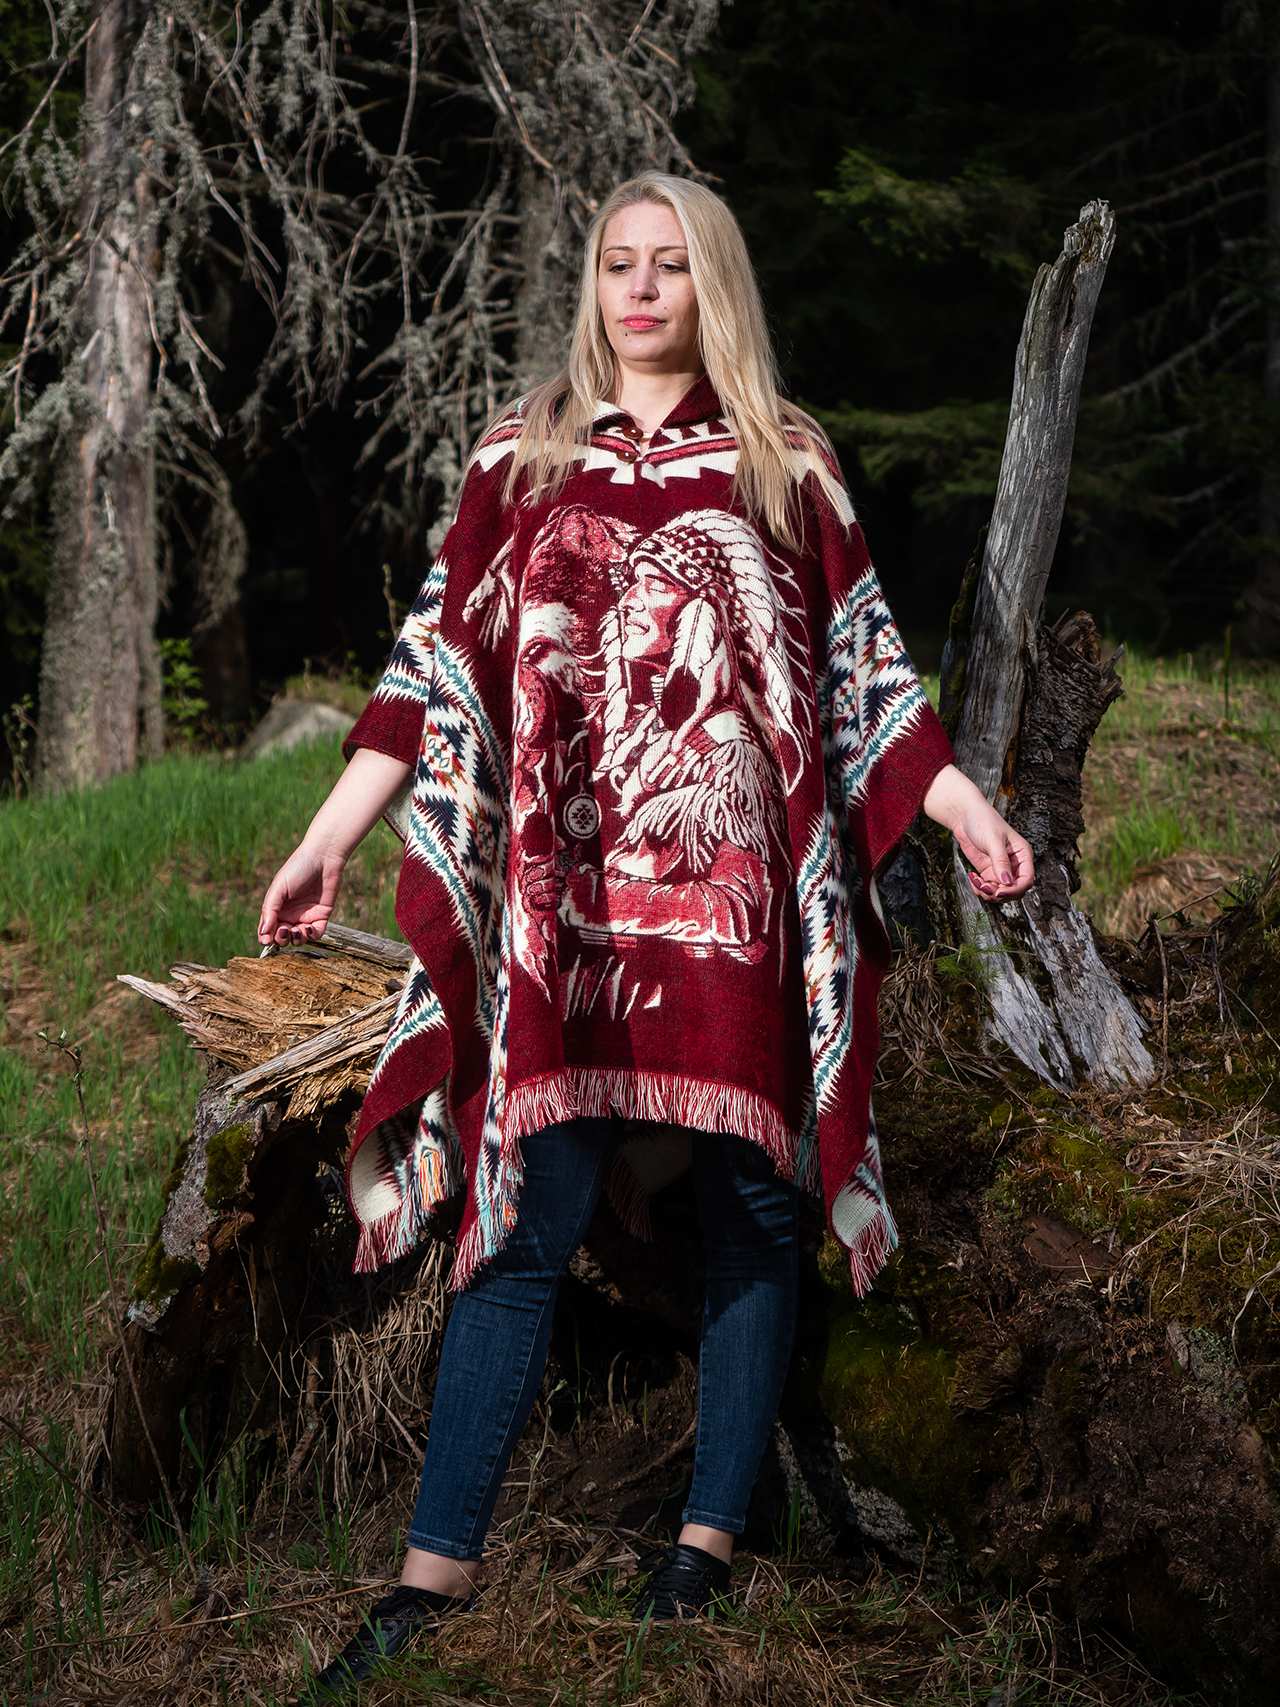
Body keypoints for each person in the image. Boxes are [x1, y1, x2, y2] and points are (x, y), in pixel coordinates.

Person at [258, 171, 1034, 1703]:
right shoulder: (522, 456)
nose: (640, 288)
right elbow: (434, 671)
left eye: (670, 264)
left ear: (712, 281)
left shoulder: (784, 460)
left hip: (732, 912)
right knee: (519, 1217)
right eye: (619, 262)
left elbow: (862, 671)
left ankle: (701, 1550)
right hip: (563, 914)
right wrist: (329, 836)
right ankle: (429, 1581)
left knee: (750, 1209)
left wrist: (957, 808)